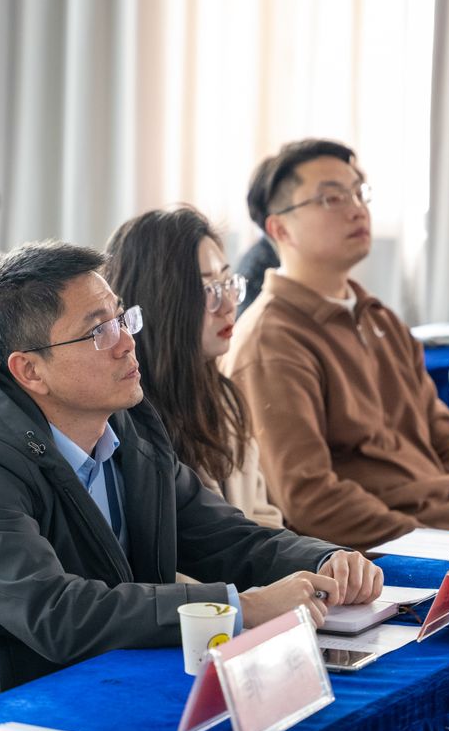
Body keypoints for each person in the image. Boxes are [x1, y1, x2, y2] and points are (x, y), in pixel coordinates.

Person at [0, 239, 383, 725]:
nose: (127, 342)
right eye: (98, 332)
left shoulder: (127, 427)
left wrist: (323, 560)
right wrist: (240, 607)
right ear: (30, 370)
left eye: (122, 318)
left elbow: (224, 537)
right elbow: (55, 613)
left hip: (98, 687)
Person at [224, 138, 449, 550]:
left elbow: (446, 441)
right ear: (280, 229)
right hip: (389, 558)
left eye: (359, 193)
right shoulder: (271, 339)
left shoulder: (380, 319)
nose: (357, 209)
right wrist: (431, 543)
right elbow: (309, 500)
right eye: (332, 198)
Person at [105, 206, 375, 571]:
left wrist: (311, 569)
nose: (229, 304)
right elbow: (159, 570)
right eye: (207, 289)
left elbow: (262, 520)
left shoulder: (224, 398)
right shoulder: (129, 419)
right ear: (158, 299)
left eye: (227, 283)